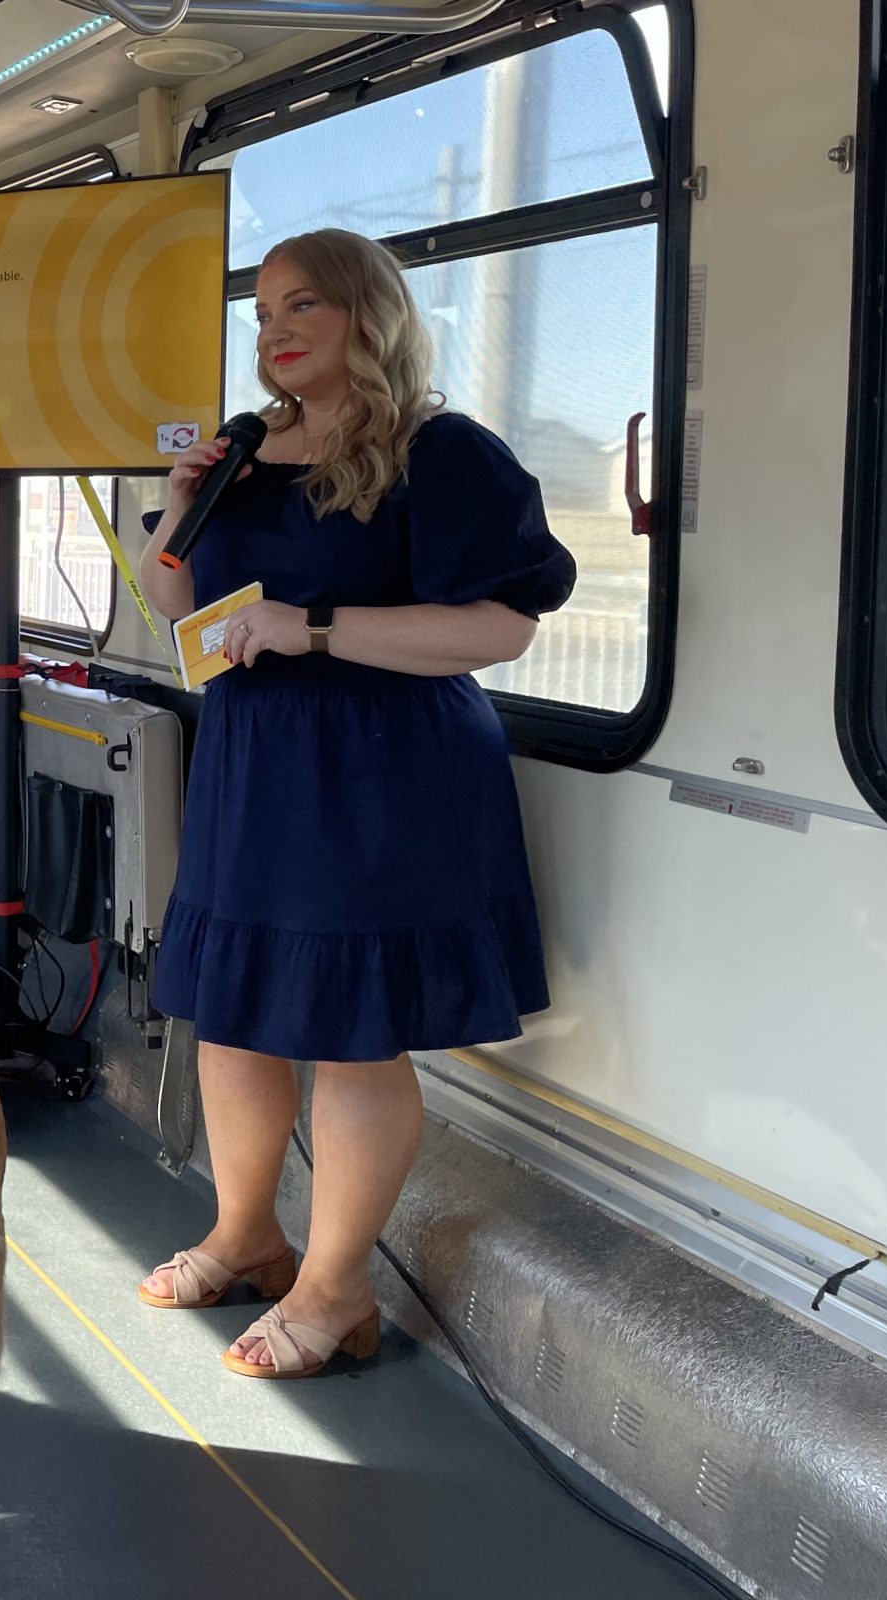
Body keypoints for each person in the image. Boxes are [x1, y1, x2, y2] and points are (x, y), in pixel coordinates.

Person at [134, 228, 576, 1381]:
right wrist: (179, 517)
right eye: (265, 309)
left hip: (382, 771)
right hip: (252, 759)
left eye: (304, 306)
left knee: (350, 1031)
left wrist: (308, 627)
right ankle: (248, 1232)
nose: (273, 329)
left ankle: (336, 1293)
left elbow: (502, 628)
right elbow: (166, 605)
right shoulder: (242, 446)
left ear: (365, 315)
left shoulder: (440, 453)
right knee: (229, 1010)